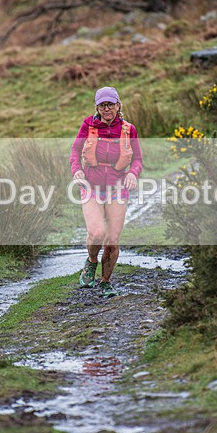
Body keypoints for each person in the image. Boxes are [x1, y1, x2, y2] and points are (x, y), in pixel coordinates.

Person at [70, 86, 143, 297]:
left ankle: (105, 282)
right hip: (91, 186)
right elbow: (75, 151)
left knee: (112, 240)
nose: (106, 108)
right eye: (102, 105)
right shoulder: (88, 125)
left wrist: (133, 174)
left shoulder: (129, 130)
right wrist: (76, 171)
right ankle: (91, 262)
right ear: (97, 107)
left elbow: (137, 159)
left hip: (118, 188)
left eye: (110, 104)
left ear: (118, 105)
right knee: (97, 233)